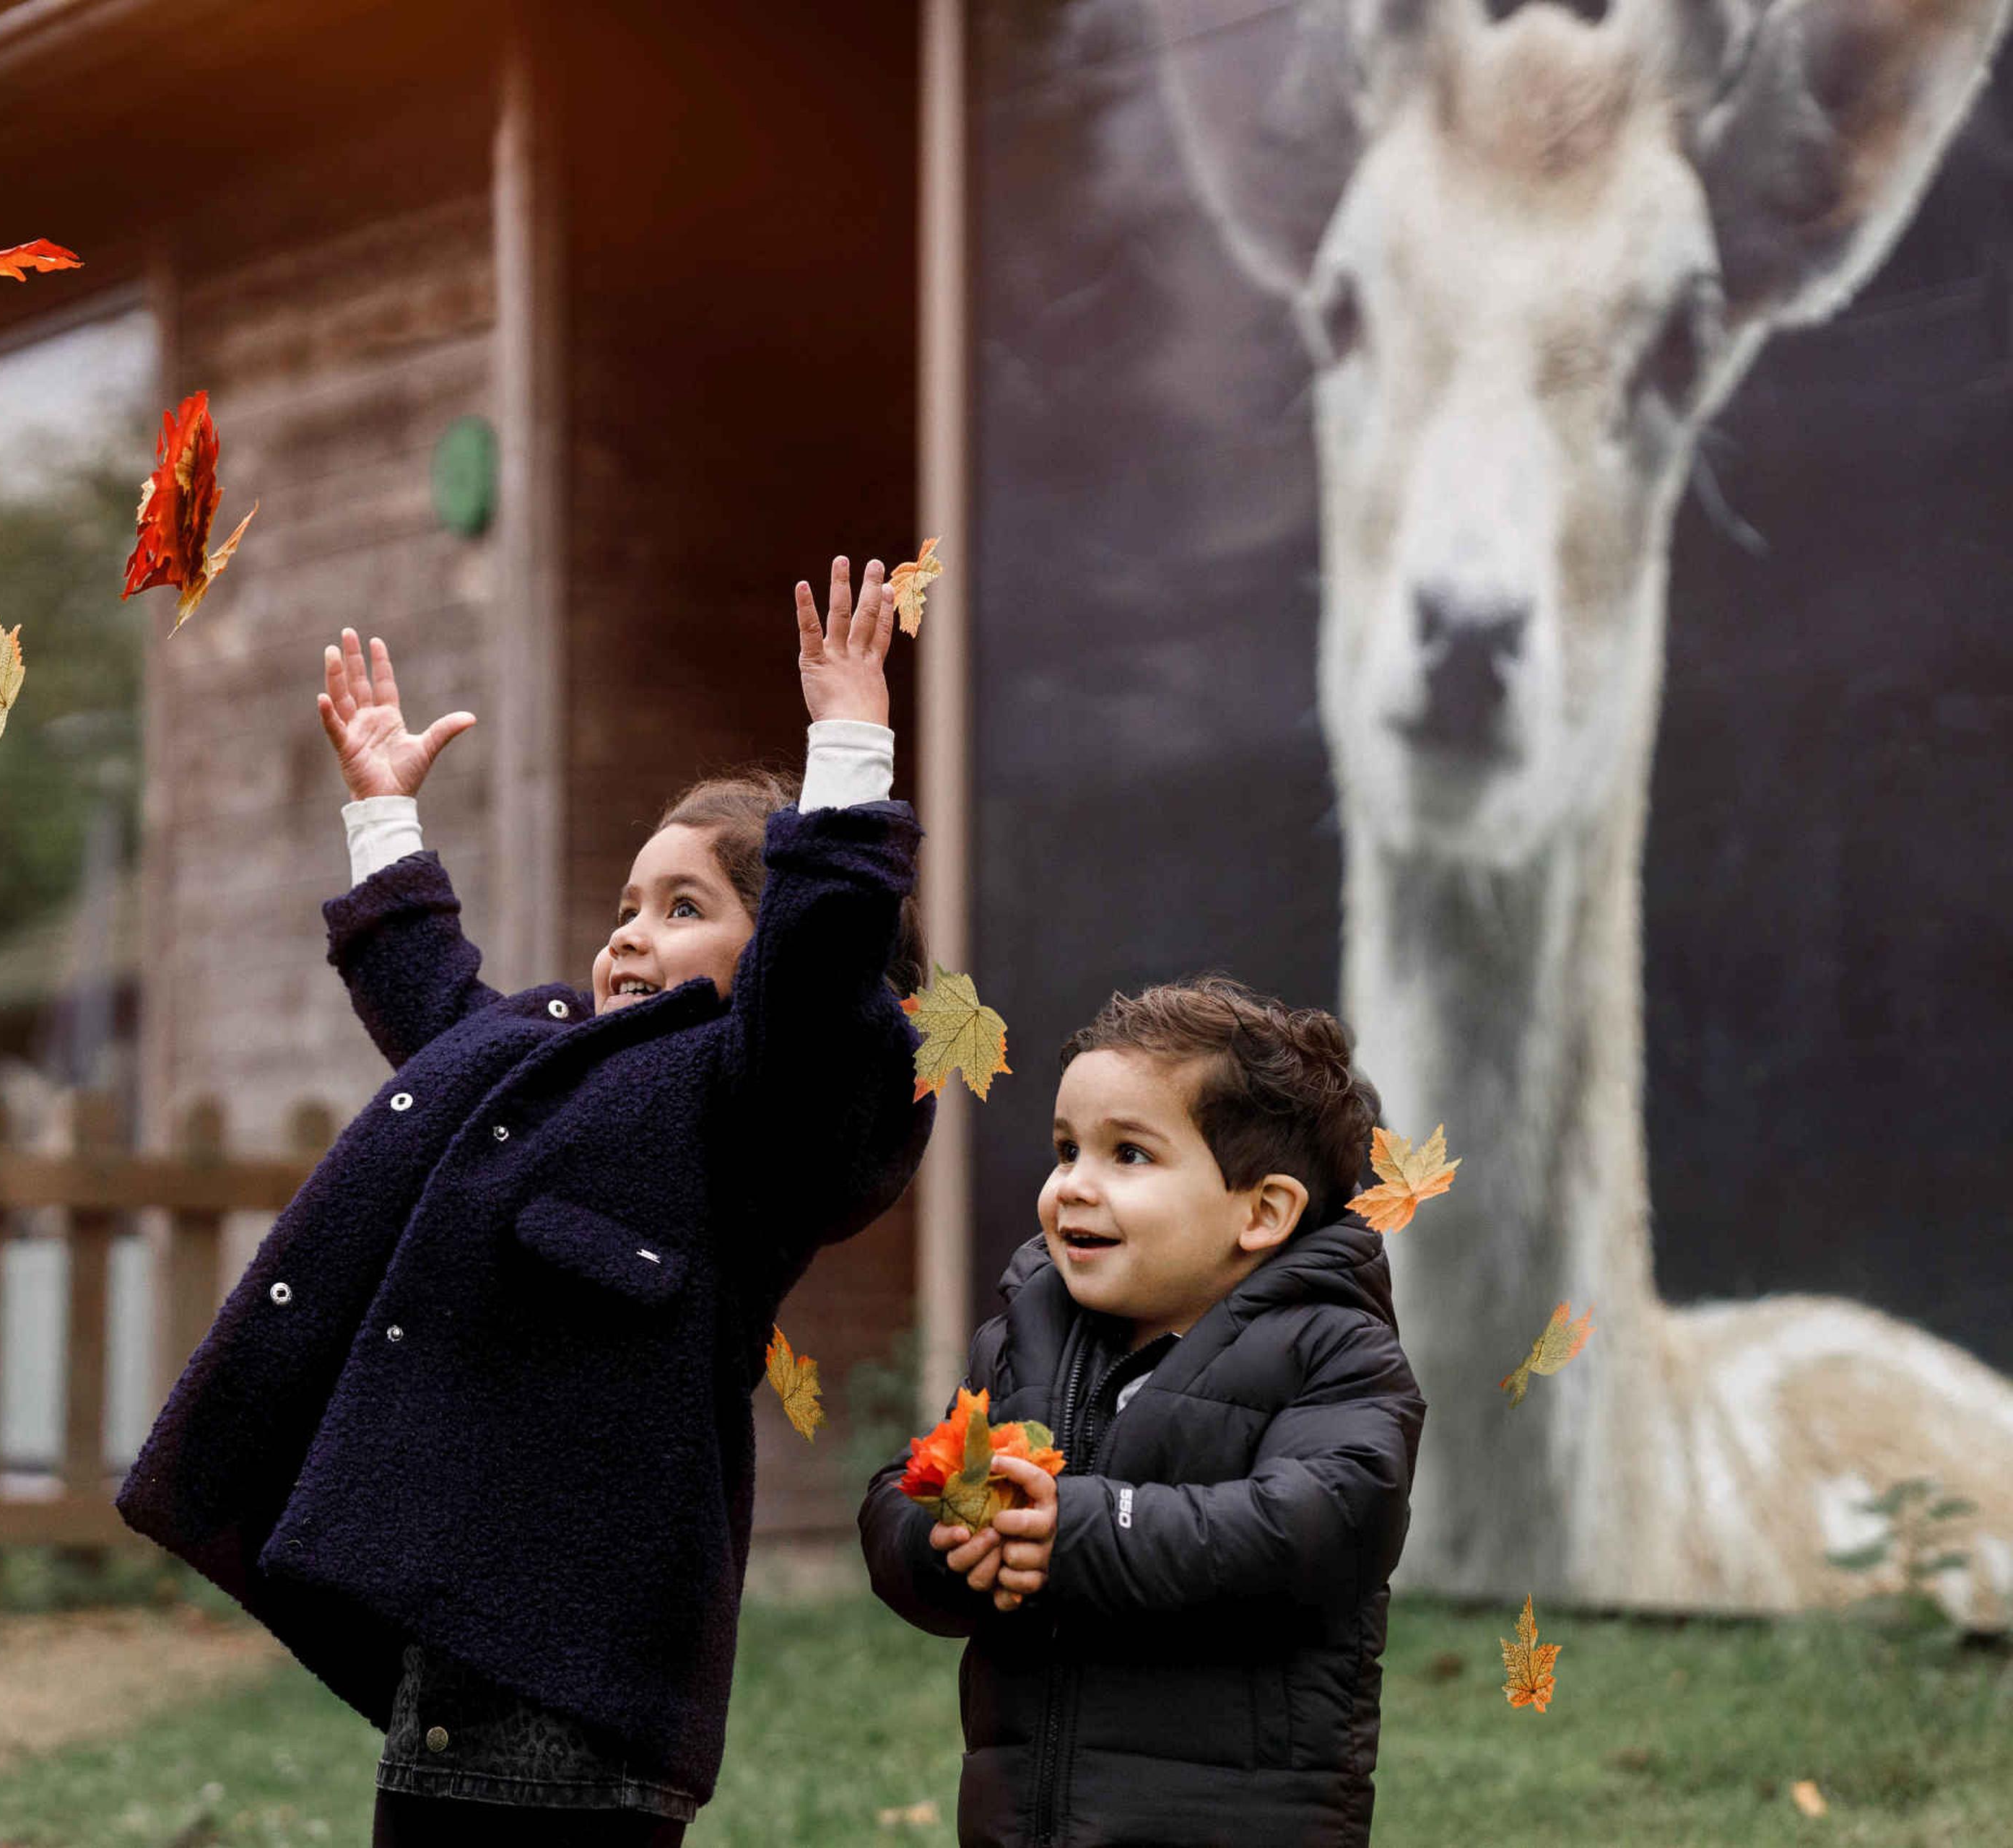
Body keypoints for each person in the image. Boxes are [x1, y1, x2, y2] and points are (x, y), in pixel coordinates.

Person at [118, 557, 938, 1845]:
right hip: (456, 1637)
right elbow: (440, 1014)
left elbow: (824, 975)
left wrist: (847, 750)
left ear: (772, 956)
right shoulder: (559, 1066)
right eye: (625, 904)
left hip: (587, 1663)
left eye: (684, 908)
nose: (627, 934)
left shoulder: (761, 1106)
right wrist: (385, 819)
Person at [858, 977, 1425, 1846]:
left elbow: (1320, 1523)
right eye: (1065, 1149)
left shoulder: (1332, 1351)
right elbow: (906, 1484)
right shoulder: (1026, 1337)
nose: (1074, 1186)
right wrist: (943, 1540)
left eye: (1128, 1154)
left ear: (1263, 1211)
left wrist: (1080, 1528)